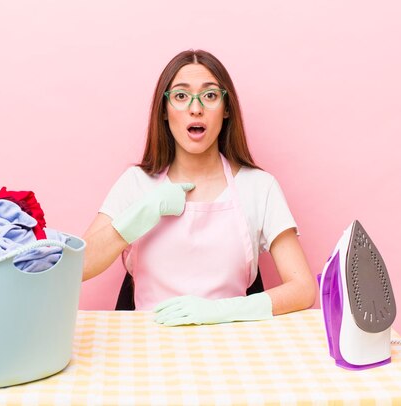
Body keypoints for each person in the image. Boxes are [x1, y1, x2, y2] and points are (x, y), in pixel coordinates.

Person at [82, 49, 316, 326]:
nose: (196, 108)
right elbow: (79, 267)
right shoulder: (136, 183)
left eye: (210, 95)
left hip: (232, 342)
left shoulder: (259, 187)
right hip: (147, 346)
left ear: (226, 109)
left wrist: (220, 311)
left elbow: (303, 288)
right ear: (165, 111)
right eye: (181, 96)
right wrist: (137, 216)